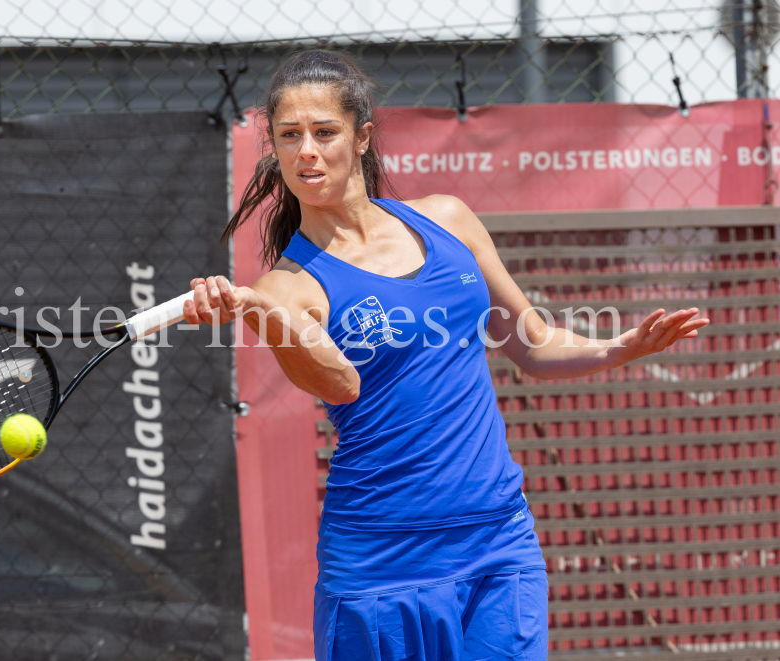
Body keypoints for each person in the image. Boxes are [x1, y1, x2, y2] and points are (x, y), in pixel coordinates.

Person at [181, 50, 708, 660]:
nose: (307, 152)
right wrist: (261, 312)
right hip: (383, 561)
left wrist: (622, 346)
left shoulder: (449, 220)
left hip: (497, 541)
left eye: (325, 133)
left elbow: (533, 344)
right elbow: (339, 382)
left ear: (362, 137)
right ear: (271, 148)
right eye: (289, 136)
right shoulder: (287, 287)